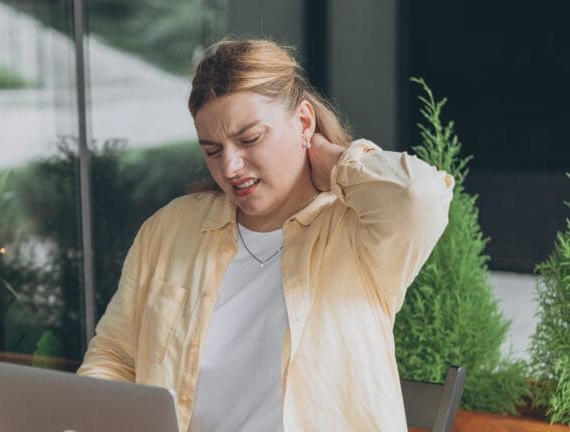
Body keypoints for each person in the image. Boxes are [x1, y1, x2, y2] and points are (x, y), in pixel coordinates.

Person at [77, 39, 454, 432]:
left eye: (250, 139)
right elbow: (114, 358)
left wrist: (335, 161)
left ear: (304, 122)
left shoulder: (358, 233)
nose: (231, 166)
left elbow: (419, 197)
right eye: (212, 150)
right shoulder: (169, 230)